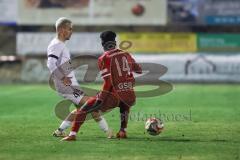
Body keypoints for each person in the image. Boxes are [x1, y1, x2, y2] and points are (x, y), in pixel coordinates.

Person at [62, 31, 142, 141]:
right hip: (129, 94)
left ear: (103, 44)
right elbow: (139, 70)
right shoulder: (126, 54)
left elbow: (108, 82)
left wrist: (101, 99)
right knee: (125, 105)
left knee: (83, 109)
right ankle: (123, 130)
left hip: (113, 96)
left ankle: (72, 134)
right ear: (115, 42)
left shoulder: (104, 58)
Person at [47, 17, 113, 138]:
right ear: (61, 30)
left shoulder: (60, 45)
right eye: (69, 29)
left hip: (70, 85)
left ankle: (60, 130)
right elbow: (50, 63)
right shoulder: (56, 45)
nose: (71, 31)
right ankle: (108, 132)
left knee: (83, 110)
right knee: (92, 105)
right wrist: (62, 78)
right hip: (66, 86)